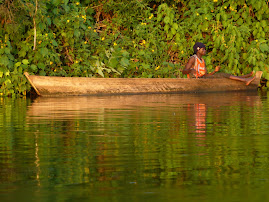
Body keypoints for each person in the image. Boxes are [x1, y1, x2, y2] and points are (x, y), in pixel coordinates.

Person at [182, 42, 255, 85]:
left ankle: (244, 78)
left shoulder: (202, 60)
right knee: (223, 75)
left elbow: (206, 75)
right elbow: (184, 71)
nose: (205, 50)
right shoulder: (193, 58)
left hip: (203, 79)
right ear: (198, 50)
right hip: (196, 81)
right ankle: (245, 79)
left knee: (221, 75)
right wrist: (191, 70)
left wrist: (214, 71)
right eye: (203, 49)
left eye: (205, 49)